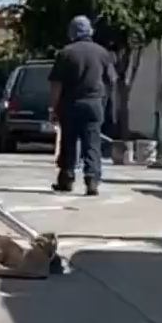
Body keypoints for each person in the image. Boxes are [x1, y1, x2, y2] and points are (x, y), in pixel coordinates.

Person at [47, 15, 115, 195]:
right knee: (92, 143)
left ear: (72, 32)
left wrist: (53, 108)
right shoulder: (102, 53)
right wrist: (103, 101)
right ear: (90, 31)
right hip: (94, 104)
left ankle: (66, 179)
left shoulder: (66, 53)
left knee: (68, 143)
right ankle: (92, 180)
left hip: (70, 105)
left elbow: (56, 84)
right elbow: (111, 81)